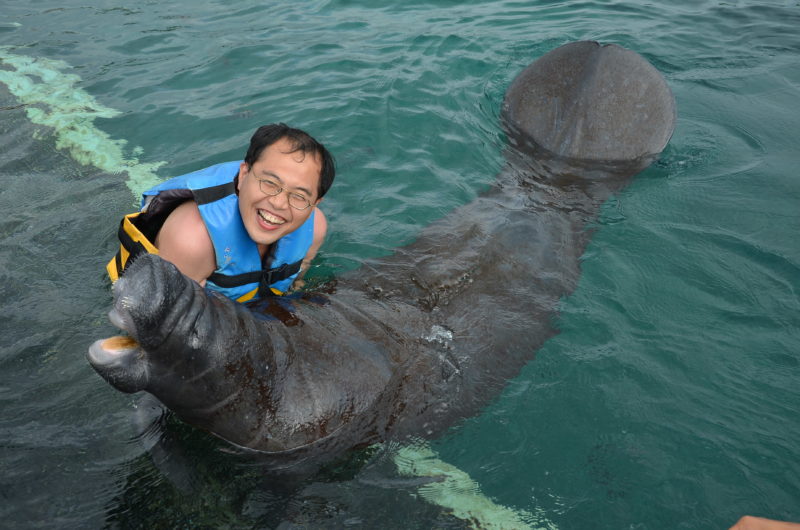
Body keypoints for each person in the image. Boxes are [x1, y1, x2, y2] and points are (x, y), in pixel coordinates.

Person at [107, 123, 335, 302]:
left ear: (315, 203)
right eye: (269, 182)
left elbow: (296, 284)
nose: (278, 203)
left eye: (299, 196)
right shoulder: (193, 240)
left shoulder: (315, 228)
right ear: (244, 175)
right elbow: (163, 322)